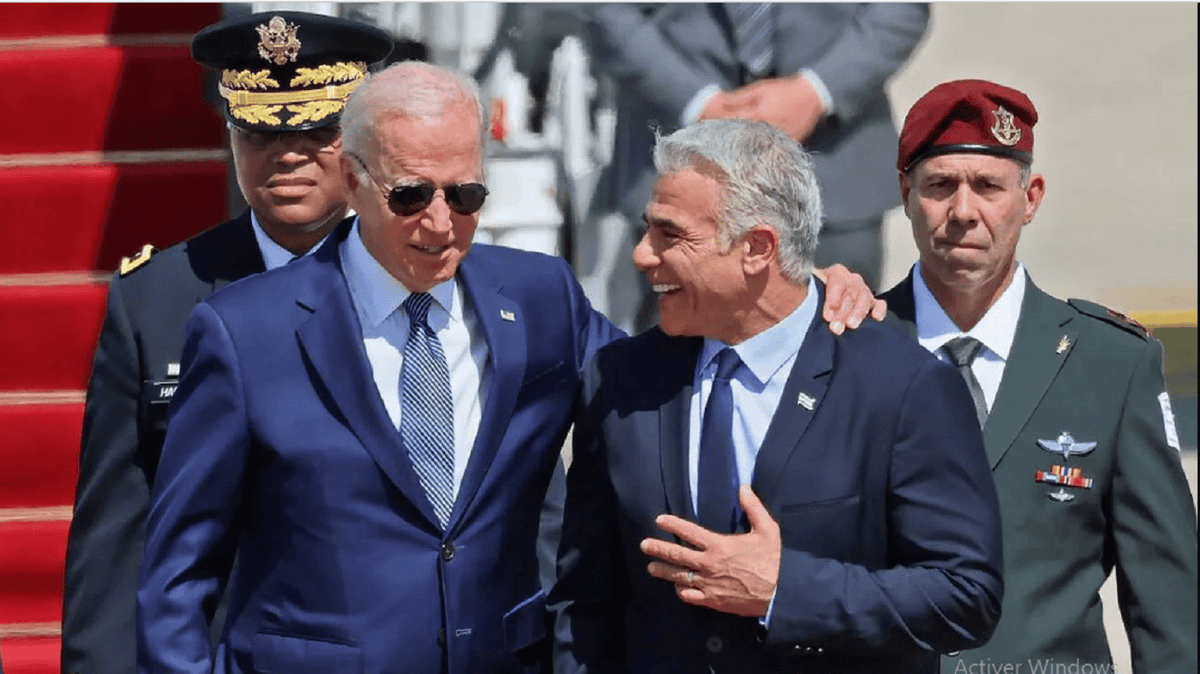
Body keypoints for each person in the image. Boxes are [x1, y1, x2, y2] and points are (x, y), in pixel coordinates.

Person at [552, 118, 1004, 674]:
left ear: (757, 248)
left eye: (671, 235)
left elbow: (965, 596)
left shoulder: (901, 386)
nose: (643, 255)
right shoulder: (621, 379)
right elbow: (585, 602)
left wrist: (785, 589)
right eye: (648, 230)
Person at [60, 11, 393, 674]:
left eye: (316, 129)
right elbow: (116, 536)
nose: (287, 152)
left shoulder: (415, 281)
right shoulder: (156, 299)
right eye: (260, 130)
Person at [879, 78, 1199, 674]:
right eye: (940, 186)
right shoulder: (851, 348)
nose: (963, 211)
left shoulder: (1111, 365)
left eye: (988, 187)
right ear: (905, 193)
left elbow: (1167, 601)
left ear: (1030, 198)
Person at [577, 3, 930, 333]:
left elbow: (900, 8)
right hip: (676, 148)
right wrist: (696, 102)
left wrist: (816, 92)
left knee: (842, 349)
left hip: (834, 158)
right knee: (676, 368)